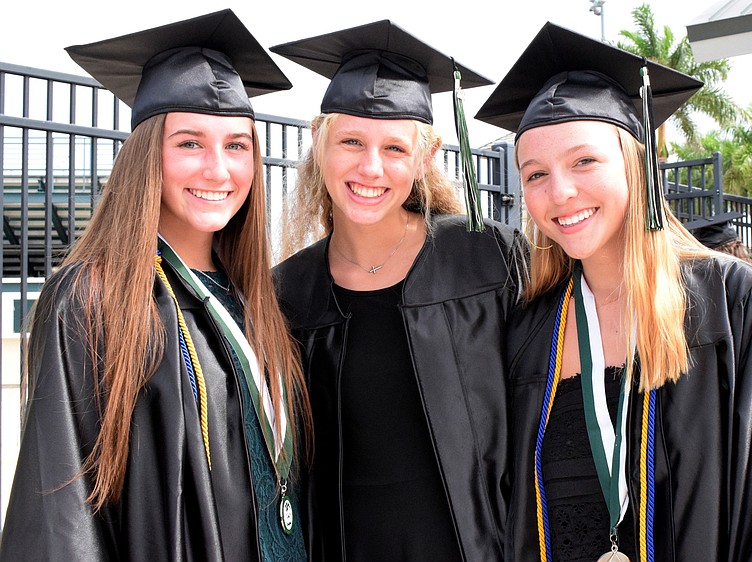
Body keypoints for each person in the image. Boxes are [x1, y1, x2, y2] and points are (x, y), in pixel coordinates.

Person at [475, 22, 752, 561]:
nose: (559, 192)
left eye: (584, 160)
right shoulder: (531, 330)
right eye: (534, 174)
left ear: (637, 165)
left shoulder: (732, 302)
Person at [0, 10, 311, 561]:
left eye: (237, 145)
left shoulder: (260, 302)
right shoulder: (92, 298)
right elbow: (61, 513)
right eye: (190, 143)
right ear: (147, 156)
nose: (219, 169)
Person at [269, 20, 526, 562]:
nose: (371, 167)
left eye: (394, 147)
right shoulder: (288, 294)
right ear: (319, 140)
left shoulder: (488, 259)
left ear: (427, 153)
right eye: (352, 141)